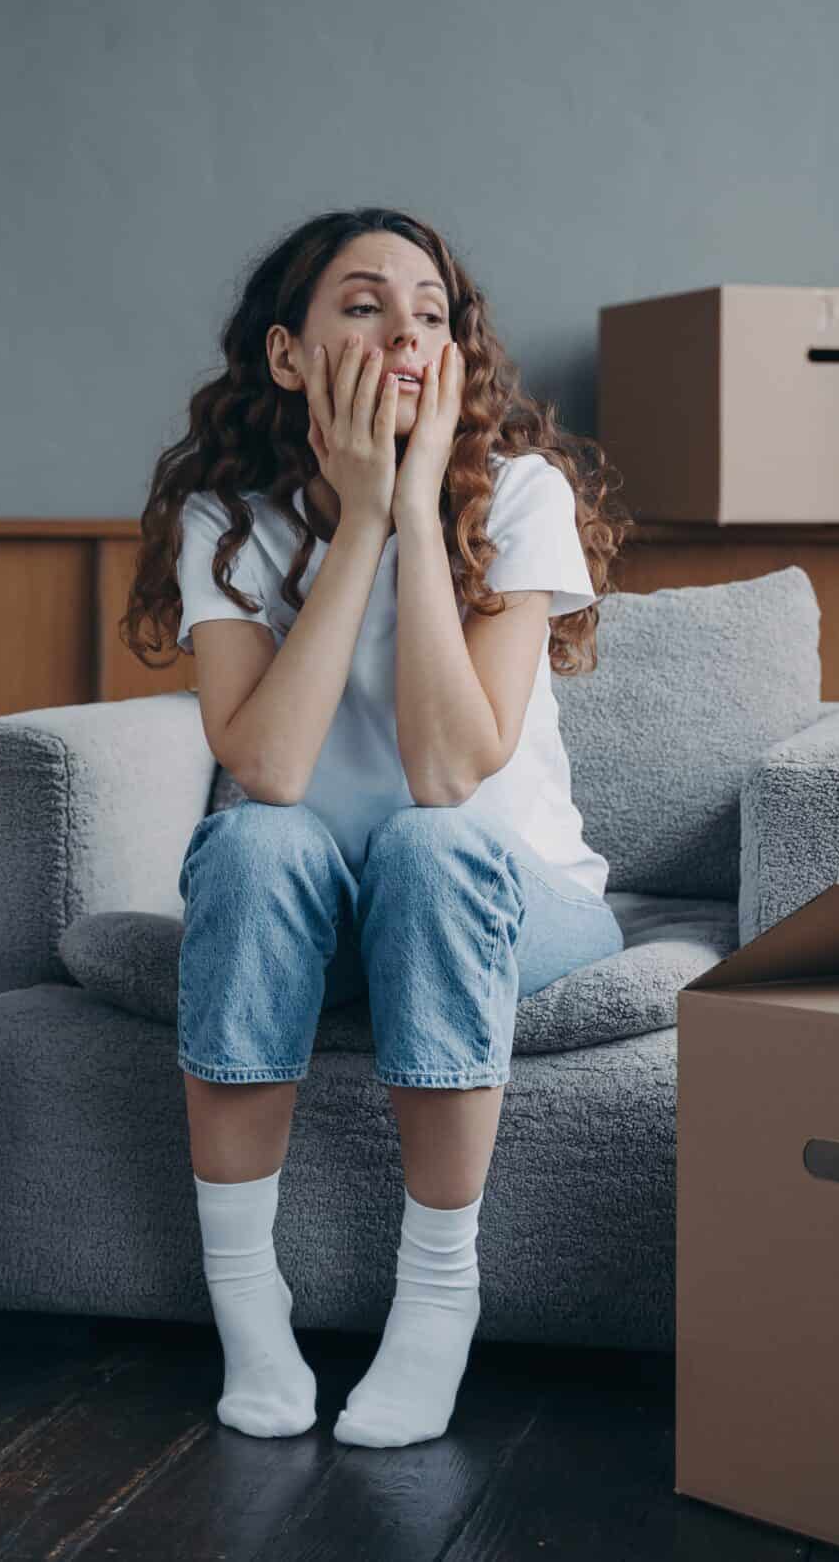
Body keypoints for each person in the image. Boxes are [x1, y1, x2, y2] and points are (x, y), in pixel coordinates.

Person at [119, 208, 632, 1448]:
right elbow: (270, 767)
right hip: (311, 903)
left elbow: (450, 769)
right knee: (250, 841)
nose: (405, 327)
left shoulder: (518, 495)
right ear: (290, 355)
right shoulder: (228, 520)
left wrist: (415, 503)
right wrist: (356, 521)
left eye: (431, 310)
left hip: (505, 899)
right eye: (363, 303)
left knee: (427, 842)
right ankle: (247, 1305)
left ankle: (438, 1299)